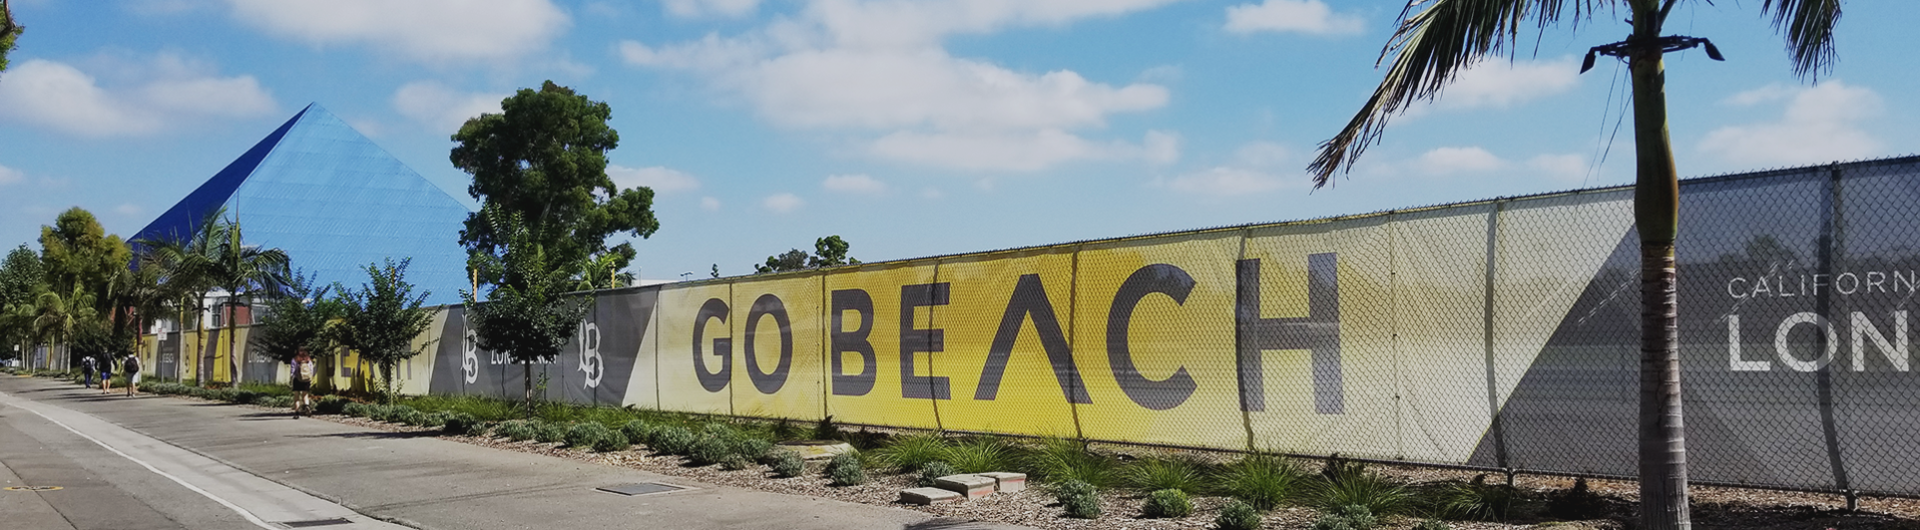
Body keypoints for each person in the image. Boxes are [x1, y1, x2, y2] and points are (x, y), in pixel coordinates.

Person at [290, 351, 315, 417]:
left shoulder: (295, 360)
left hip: (297, 379)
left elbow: (292, 371)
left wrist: (291, 378)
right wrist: (310, 377)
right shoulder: (308, 360)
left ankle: (297, 412)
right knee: (305, 394)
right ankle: (307, 405)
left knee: (296, 396)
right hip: (306, 379)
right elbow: (311, 370)